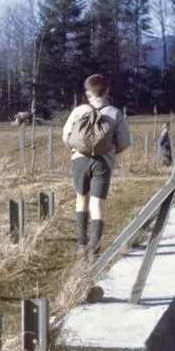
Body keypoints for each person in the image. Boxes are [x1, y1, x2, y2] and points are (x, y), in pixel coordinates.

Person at [62, 74, 132, 257]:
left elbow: (66, 136)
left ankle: (81, 243)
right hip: (103, 162)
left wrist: (77, 149)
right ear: (107, 90)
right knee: (97, 202)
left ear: (87, 93)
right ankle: (95, 246)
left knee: (81, 198)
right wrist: (111, 152)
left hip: (79, 159)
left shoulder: (78, 111)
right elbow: (124, 141)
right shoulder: (115, 113)